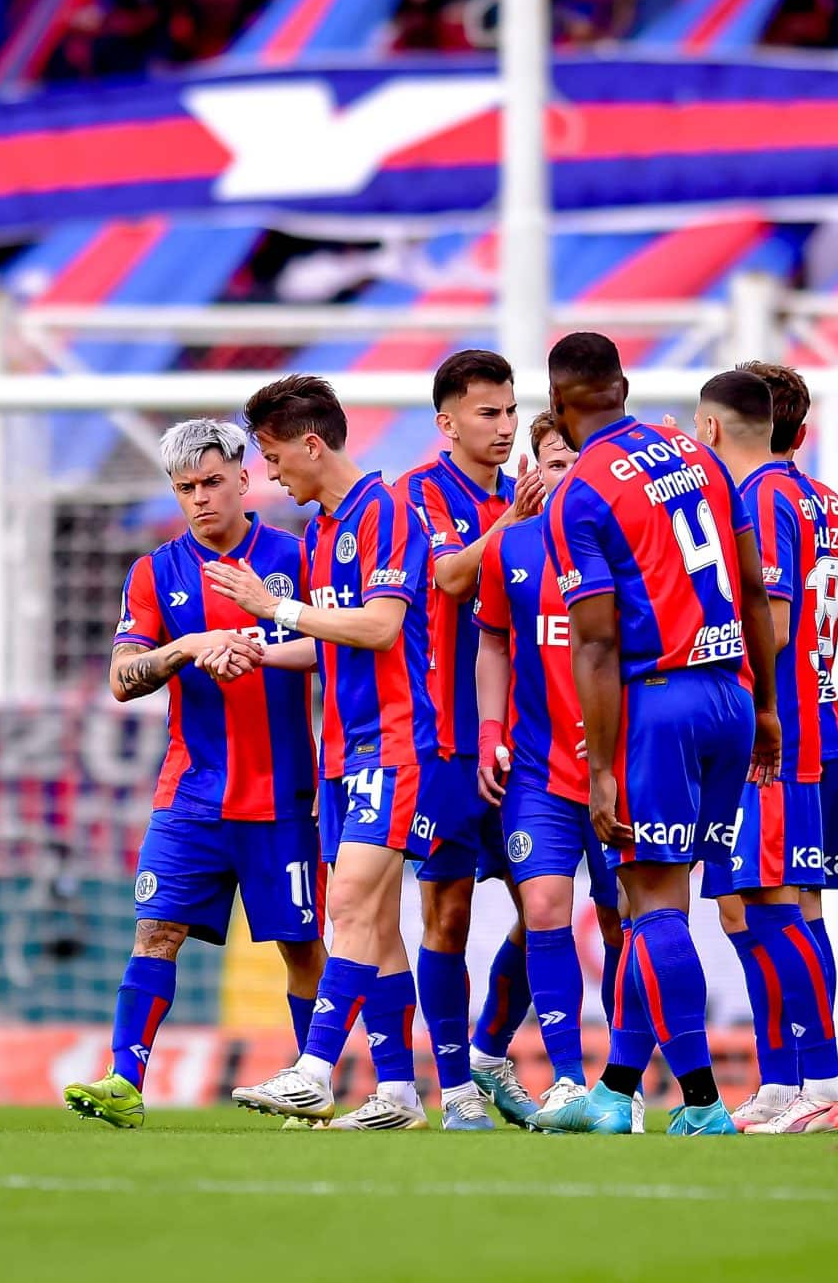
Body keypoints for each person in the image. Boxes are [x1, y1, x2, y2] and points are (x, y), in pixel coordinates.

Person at [528, 333, 781, 1137]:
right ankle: (617, 1089)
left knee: (657, 904)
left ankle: (704, 1104)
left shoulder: (580, 496)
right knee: (652, 912)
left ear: (558, 402)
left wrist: (600, 770)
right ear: (624, 386)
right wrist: (768, 708)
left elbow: (595, 644)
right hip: (732, 698)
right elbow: (749, 584)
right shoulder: (693, 455)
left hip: (658, 703)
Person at [63, 420, 326, 1129]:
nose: (201, 499)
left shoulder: (297, 560)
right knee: (155, 933)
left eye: (212, 482)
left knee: (303, 948)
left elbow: (339, 650)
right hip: (192, 796)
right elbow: (123, 679)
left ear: (245, 478)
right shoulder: (154, 573)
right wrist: (189, 647)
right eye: (186, 488)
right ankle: (125, 1079)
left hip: (285, 797)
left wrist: (263, 648)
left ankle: (314, 1084)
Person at [211, 375, 443, 1130]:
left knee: (347, 905)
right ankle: (399, 1095)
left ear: (313, 444)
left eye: (275, 456)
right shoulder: (320, 534)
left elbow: (377, 627)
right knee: (371, 925)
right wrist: (254, 646)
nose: (270, 473)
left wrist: (273, 605)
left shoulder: (391, 512)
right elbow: (327, 643)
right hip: (342, 752)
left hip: (398, 743)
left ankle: (314, 1070)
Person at [692, 368, 838, 1135]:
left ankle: (816, 1080)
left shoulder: (760, 499)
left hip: (774, 734)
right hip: (818, 719)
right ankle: (782, 1079)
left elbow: (776, 623)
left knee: (766, 906)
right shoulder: (826, 501)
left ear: (721, 427)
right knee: (776, 905)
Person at [399, 350, 547, 1130]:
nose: (505, 426)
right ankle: (454, 1086)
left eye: (511, 411)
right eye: (488, 413)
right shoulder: (414, 496)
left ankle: (492, 1049)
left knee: (545, 908)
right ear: (446, 422)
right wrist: (517, 524)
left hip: (526, 743)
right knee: (447, 917)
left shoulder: (528, 495)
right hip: (446, 743)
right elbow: (449, 579)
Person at [474, 412, 626, 1129]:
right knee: (542, 910)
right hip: (537, 771)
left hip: (620, 765)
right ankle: (567, 1079)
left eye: (577, 465)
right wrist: (490, 732)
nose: (566, 479)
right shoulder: (513, 546)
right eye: (554, 465)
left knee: (630, 924)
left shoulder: (630, 543)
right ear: (535, 471)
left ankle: (620, 1083)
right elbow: (495, 643)